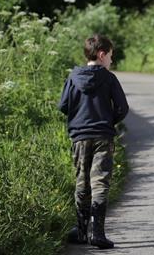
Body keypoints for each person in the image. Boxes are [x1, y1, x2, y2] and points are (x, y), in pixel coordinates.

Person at [58, 34, 129, 249]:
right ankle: (97, 233)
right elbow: (122, 108)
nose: (111, 61)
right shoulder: (108, 78)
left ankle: (81, 231)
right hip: (102, 137)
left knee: (82, 181)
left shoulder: (73, 77)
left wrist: (78, 119)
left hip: (79, 137)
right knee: (100, 182)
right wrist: (108, 122)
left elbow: (63, 106)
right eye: (110, 56)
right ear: (101, 54)